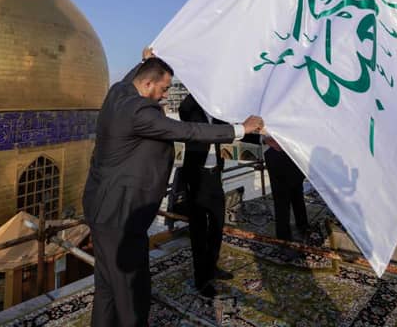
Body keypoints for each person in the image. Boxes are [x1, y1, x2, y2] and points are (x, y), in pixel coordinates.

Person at [82, 48, 263, 327]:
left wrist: (144, 61)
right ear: (148, 84)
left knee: (107, 284)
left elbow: (135, 78)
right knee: (132, 290)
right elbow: (188, 131)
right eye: (164, 89)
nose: (166, 95)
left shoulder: (118, 93)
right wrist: (241, 129)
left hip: (102, 206)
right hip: (121, 212)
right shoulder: (139, 110)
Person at [178, 94, 234, 298]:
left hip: (214, 176)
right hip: (197, 177)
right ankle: (201, 279)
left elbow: (229, 130)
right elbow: (184, 108)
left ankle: (212, 266)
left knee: (218, 224)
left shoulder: (217, 113)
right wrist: (197, 87)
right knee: (199, 231)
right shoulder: (191, 110)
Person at [264, 140, 308, 242]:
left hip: (295, 154)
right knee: (282, 200)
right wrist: (265, 139)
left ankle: (302, 226)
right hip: (278, 155)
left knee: (297, 193)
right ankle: (284, 237)